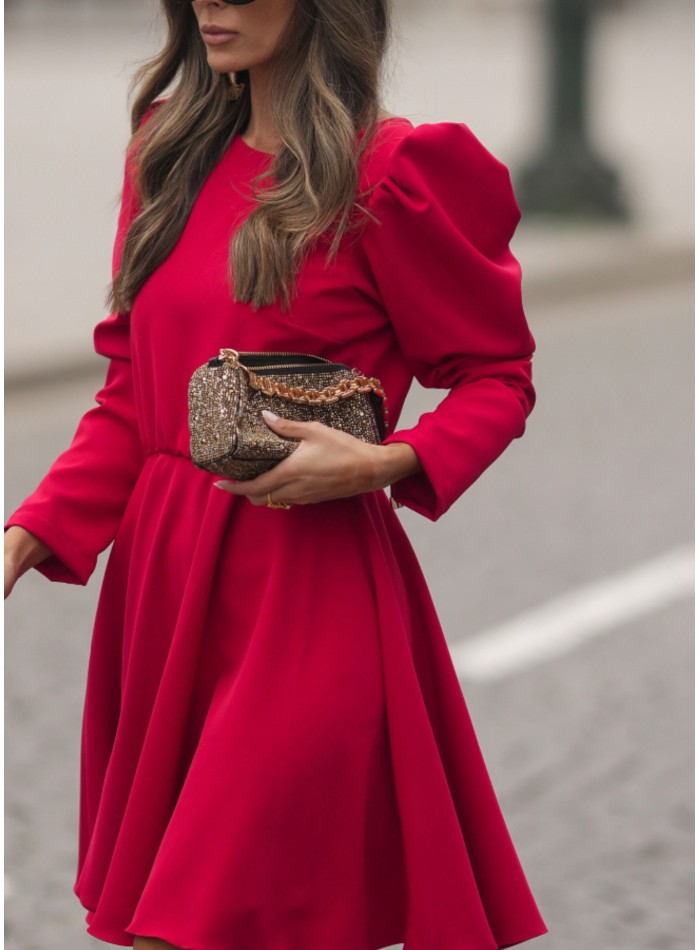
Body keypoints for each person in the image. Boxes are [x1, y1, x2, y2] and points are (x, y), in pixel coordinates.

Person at [4, 0, 549, 947]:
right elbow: (134, 396)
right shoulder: (167, 153)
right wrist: (22, 536)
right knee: (171, 918)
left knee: (215, 911)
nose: (209, 1)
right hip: (167, 594)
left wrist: (389, 460)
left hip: (311, 600)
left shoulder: (391, 175)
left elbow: (497, 378)